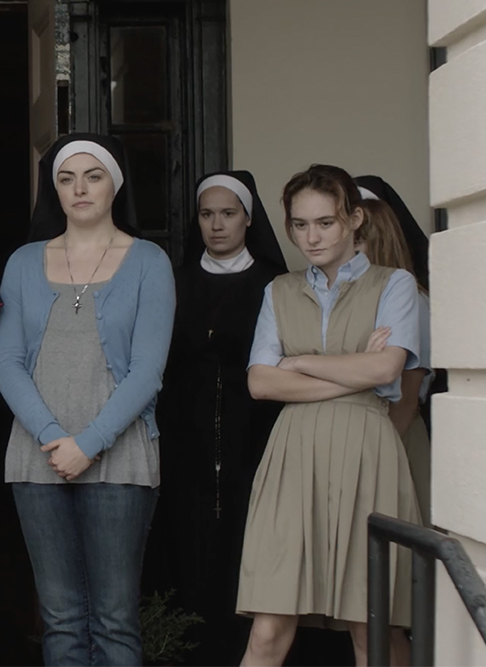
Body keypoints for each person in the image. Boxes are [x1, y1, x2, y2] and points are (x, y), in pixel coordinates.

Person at [0, 133, 174, 666]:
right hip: (37, 459)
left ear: (115, 185)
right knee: (60, 619)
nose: (79, 189)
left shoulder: (149, 261)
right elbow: (7, 365)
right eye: (67, 179)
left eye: (93, 177)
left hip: (120, 459)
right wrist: (55, 438)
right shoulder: (23, 262)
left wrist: (89, 444)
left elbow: (148, 371)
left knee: (115, 621)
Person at [238, 164, 422, 666]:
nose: (311, 237)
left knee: (372, 628)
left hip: (367, 452)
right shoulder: (278, 290)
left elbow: (387, 367)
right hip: (293, 456)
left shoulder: (395, 284)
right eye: (300, 225)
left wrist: (298, 362)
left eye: (325, 222)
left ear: (355, 219)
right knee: (268, 629)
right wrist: (355, 369)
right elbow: (260, 383)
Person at [153, 170, 287, 663]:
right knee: (186, 540)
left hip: (254, 434)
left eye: (228, 214)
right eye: (206, 214)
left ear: (248, 219)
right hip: (183, 436)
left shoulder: (276, 285)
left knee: (247, 539)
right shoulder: (175, 281)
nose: (216, 225)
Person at [355, 179, 433, 522]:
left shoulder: (412, 301)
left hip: (396, 435)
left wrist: (376, 457)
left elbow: (408, 399)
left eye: (357, 240)